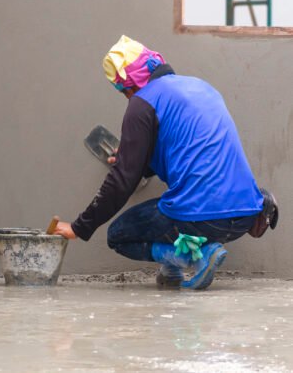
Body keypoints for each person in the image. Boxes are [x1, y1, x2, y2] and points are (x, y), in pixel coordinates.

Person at [54, 35, 278, 290]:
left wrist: (79, 227)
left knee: (118, 235)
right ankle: (172, 271)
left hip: (204, 219)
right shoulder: (202, 87)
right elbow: (187, 152)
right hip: (246, 215)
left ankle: (197, 257)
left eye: (123, 90)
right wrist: (135, 158)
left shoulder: (142, 102)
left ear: (129, 83)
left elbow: (121, 182)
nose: (126, 97)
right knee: (180, 207)